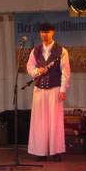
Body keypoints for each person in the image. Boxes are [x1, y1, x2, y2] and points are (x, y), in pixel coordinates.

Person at [26, 22, 71, 162]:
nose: (44, 34)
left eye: (47, 32)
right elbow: (30, 67)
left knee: (55, 121)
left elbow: (66, 72)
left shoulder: (62, 51)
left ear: (53, 33)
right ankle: (40, 151)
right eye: (42, 32)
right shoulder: (36, 50)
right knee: (39, 121)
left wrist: (63, 89)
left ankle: (56, 152)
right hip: (39, 89)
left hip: (55, 89)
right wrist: (37, 71)